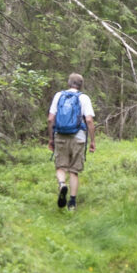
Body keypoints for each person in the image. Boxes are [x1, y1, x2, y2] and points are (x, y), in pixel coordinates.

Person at [46, 72, 96, 208]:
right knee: (74, 170)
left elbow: (50, 119)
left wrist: (51, 139)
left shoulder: (58, 96)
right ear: (81, 85)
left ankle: (62, 184)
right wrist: (92, 141)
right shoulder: (84, 98)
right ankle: (72, 203)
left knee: (60, 166)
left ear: (69, 83)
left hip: (60, 135)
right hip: (78, 136)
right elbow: (89, 120)